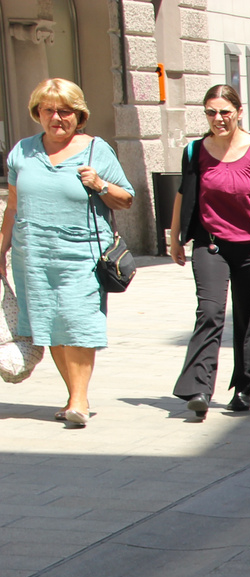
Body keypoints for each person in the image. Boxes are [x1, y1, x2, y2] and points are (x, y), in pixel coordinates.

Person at [0, 78, 133, 428]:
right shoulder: (22, 152)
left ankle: (79, 398)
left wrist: (100, 184)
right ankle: (73, 395)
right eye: (48, 110)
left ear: (79, 114)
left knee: (77, 320)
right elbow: (13, 206)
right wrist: (1, 248)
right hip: (33, 252)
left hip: (82, 252)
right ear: (37, 113)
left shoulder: (96, 151)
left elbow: (127, 198)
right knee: (48, 323)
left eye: (64, 111)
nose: (56, 118)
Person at [168, 83, 250, 418]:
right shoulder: (195, 151)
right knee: (209, 312)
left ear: (238, 112)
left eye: (224, 112)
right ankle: (199, 389)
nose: (217, 119)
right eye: (210, 112)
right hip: (211, 244)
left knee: (247, 319)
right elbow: (182, 193)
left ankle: (245, 386)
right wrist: (175, 237)